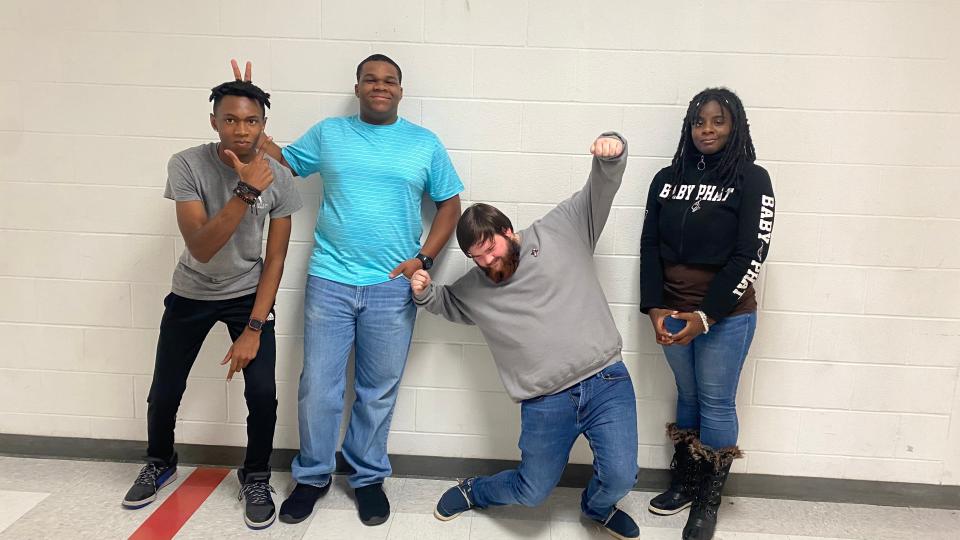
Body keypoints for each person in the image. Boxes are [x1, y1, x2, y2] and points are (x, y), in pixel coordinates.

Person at [237, 55, 464, 525]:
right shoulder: (329, 134)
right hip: (330, 281)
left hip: (392, 287)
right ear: (357, 86)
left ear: (400, 90)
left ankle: (367, 477)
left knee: (377, 390)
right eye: (371, 80)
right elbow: (282, 163)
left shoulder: (424, 144)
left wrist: (423, 259)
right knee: (319, 386)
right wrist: (252, 110)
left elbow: (451, 205)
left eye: (389, 81)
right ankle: (313, 476)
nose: (380, 87)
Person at [410, 134, 641, 540]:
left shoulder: (563, 228)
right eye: (476, 257)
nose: (487, 262)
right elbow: (445, 303)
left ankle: (597, 507)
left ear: (509, 230)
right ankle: (474, 490)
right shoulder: (476, 286)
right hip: (544, 400)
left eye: (491, 249)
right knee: (532, 493)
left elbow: (602, 185)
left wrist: (613, 150)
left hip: (606, 380)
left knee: (623, 476)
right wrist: (424, 291)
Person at [121, 76, 302, 530]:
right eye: (231, 120)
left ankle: (256, 474)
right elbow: (201, 246)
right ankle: (160, 461)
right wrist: (246, 191)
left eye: (252, 121)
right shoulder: (186, 164)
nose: (242, 130)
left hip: (248, 295)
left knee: (262, 393)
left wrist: (254, 328)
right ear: (214, 122)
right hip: (192, 291)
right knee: (165, 390)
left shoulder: (279, 177)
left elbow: (276, 259)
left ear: (264, 124)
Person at [639, 87, 775, 540]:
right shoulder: (665, 178)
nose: (708, 129)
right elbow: (650, 247)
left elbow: (751, 254)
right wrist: (655, 307)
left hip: (726, 315)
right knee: (689, 396)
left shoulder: (753, 179)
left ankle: (707, 500)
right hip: (672, 311)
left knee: (715, 403)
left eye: (718, 120)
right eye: (700, 121)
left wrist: (707, 316)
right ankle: (687, 480)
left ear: (735, 125)